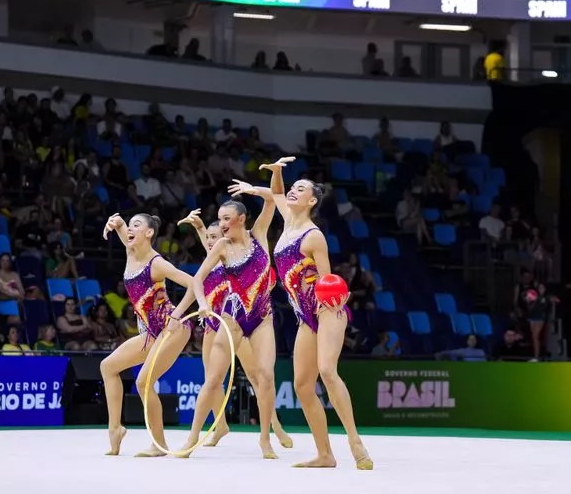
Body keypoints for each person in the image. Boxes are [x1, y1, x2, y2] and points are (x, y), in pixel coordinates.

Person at [235, 157, 372, 470]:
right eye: (292, 188)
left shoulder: (313, 236)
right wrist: (272, 177)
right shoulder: (287, 222)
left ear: (312, 200)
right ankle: (325, 454)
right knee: (301, 386)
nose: (292, 193)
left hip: (327, 310)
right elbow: (276, 195)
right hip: (305, 318)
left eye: (301, 189)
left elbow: (326, 280)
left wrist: (335, 302)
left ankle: (354, 440)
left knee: (327, 370)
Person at [177, 209, 293, 449]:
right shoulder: (218, 253)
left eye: (214, 235)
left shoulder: (232, 256)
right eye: (207, 237)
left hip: (246, 320)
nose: (209, 241)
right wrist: (201, 229)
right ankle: (215, 428)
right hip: (216, 324)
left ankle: (275, 427)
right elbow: (211, 250)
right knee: (211, 380)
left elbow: (221, 244)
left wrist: (202, 230)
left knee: (257, 376)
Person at [100, 212, 208, 457]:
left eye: (136, 225)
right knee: (108, 367)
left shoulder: (156, 263)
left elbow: (194, 283)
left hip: (173, 329)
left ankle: (159, 444)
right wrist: (116, 223)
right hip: (150, 331)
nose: (130, 228)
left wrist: (178, 315)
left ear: (149, 233)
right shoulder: (131, 250)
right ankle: (115, 429)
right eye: (130, 225)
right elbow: (123, 230)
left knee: (143, 382)